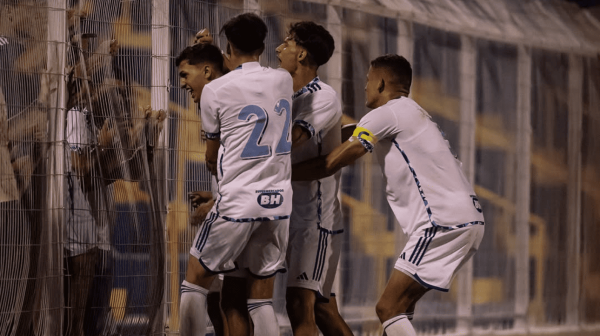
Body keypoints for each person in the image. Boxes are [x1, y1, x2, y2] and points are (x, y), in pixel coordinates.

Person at [292, 54, 485, 336]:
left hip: (441, 223)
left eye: (368, 80)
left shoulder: (388, 112)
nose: (365, 86)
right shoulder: (411, 113)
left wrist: (282, 172)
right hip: (465, 220)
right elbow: (349, 131)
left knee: (387, 309)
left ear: (381, 83)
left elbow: (333, 161)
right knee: (401, 309)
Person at [177, 13, 293, 336]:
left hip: (238, 203)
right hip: (278, 204)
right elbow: (249, 79)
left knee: (194, 281)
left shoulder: (215, 92)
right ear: (263, 45)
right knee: (260, 300)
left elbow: (212, 157)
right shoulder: (282, 80)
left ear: (228, 46)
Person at [275, 21, 353, 336]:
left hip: (314, 218)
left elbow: (293, 140)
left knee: (300, 305)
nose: (279, 49)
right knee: (318, 307)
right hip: (285, 210)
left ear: (303, 52)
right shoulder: (281, 92)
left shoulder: (323, 97)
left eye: (287, 42)